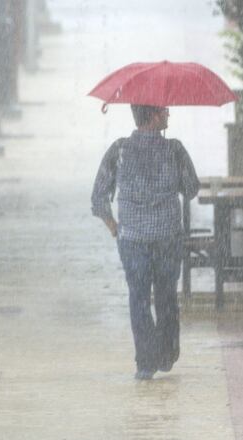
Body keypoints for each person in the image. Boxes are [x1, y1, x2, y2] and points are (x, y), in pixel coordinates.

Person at [91, 104, 200, 380]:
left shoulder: (120, 150)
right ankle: (167, 352)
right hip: (167, 238)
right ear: (153, 116)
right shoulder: (174, 150)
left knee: (138, 298)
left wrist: (114, 227)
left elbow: (99, 197)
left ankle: (145, 363)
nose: (168, 114)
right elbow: (191, 189)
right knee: (165, 296)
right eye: (164, 110)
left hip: (132, 240)